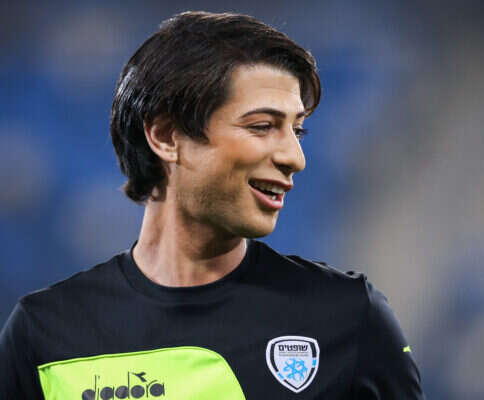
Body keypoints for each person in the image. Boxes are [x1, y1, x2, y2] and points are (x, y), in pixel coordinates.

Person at [0, 11, 424, 399]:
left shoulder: (350, 318)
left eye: (297, 131)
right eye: (263, 126)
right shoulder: (42, 332)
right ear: (166, 137)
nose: (295, 157)